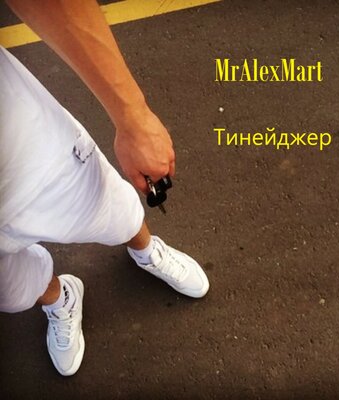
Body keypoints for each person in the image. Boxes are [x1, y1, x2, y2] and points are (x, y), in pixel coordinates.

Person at [0, 0, 209, 376]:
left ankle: (146, 250)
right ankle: (60, 298)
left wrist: (133, 117)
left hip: (25, 156)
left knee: (111, 211)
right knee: (12, 291)